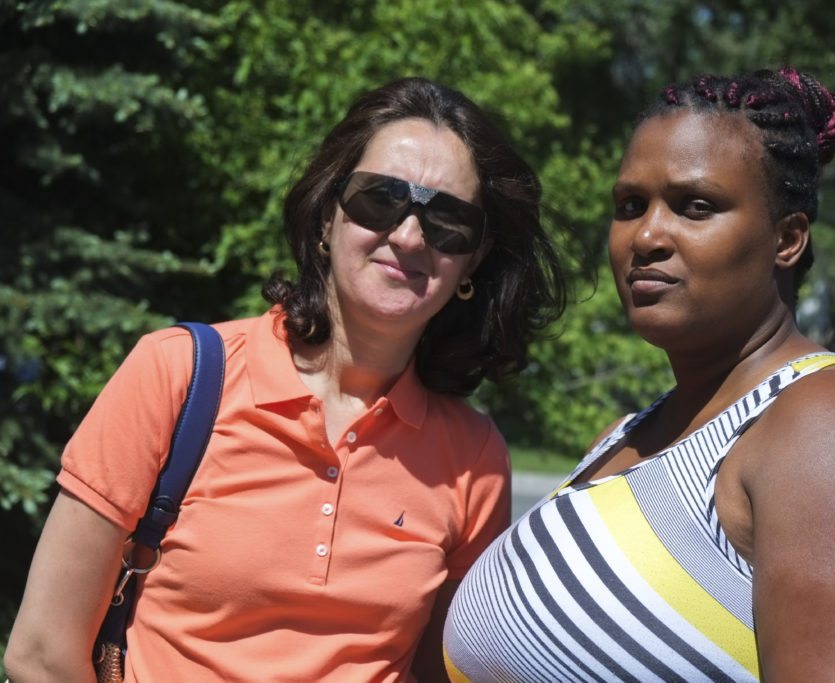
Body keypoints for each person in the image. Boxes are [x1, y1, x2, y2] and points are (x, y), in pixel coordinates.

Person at [5, 76, 567, 682]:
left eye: (448, 221)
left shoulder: (473, 459)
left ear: (473, 260)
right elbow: (41, 654)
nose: (408, 236)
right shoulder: (178, 376)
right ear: (328, 217)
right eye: (380, 199)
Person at [443, 67, 835, 682]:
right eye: (630, 206)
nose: (648, 236)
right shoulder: (622, 439)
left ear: (787, 239)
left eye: (696, 206)